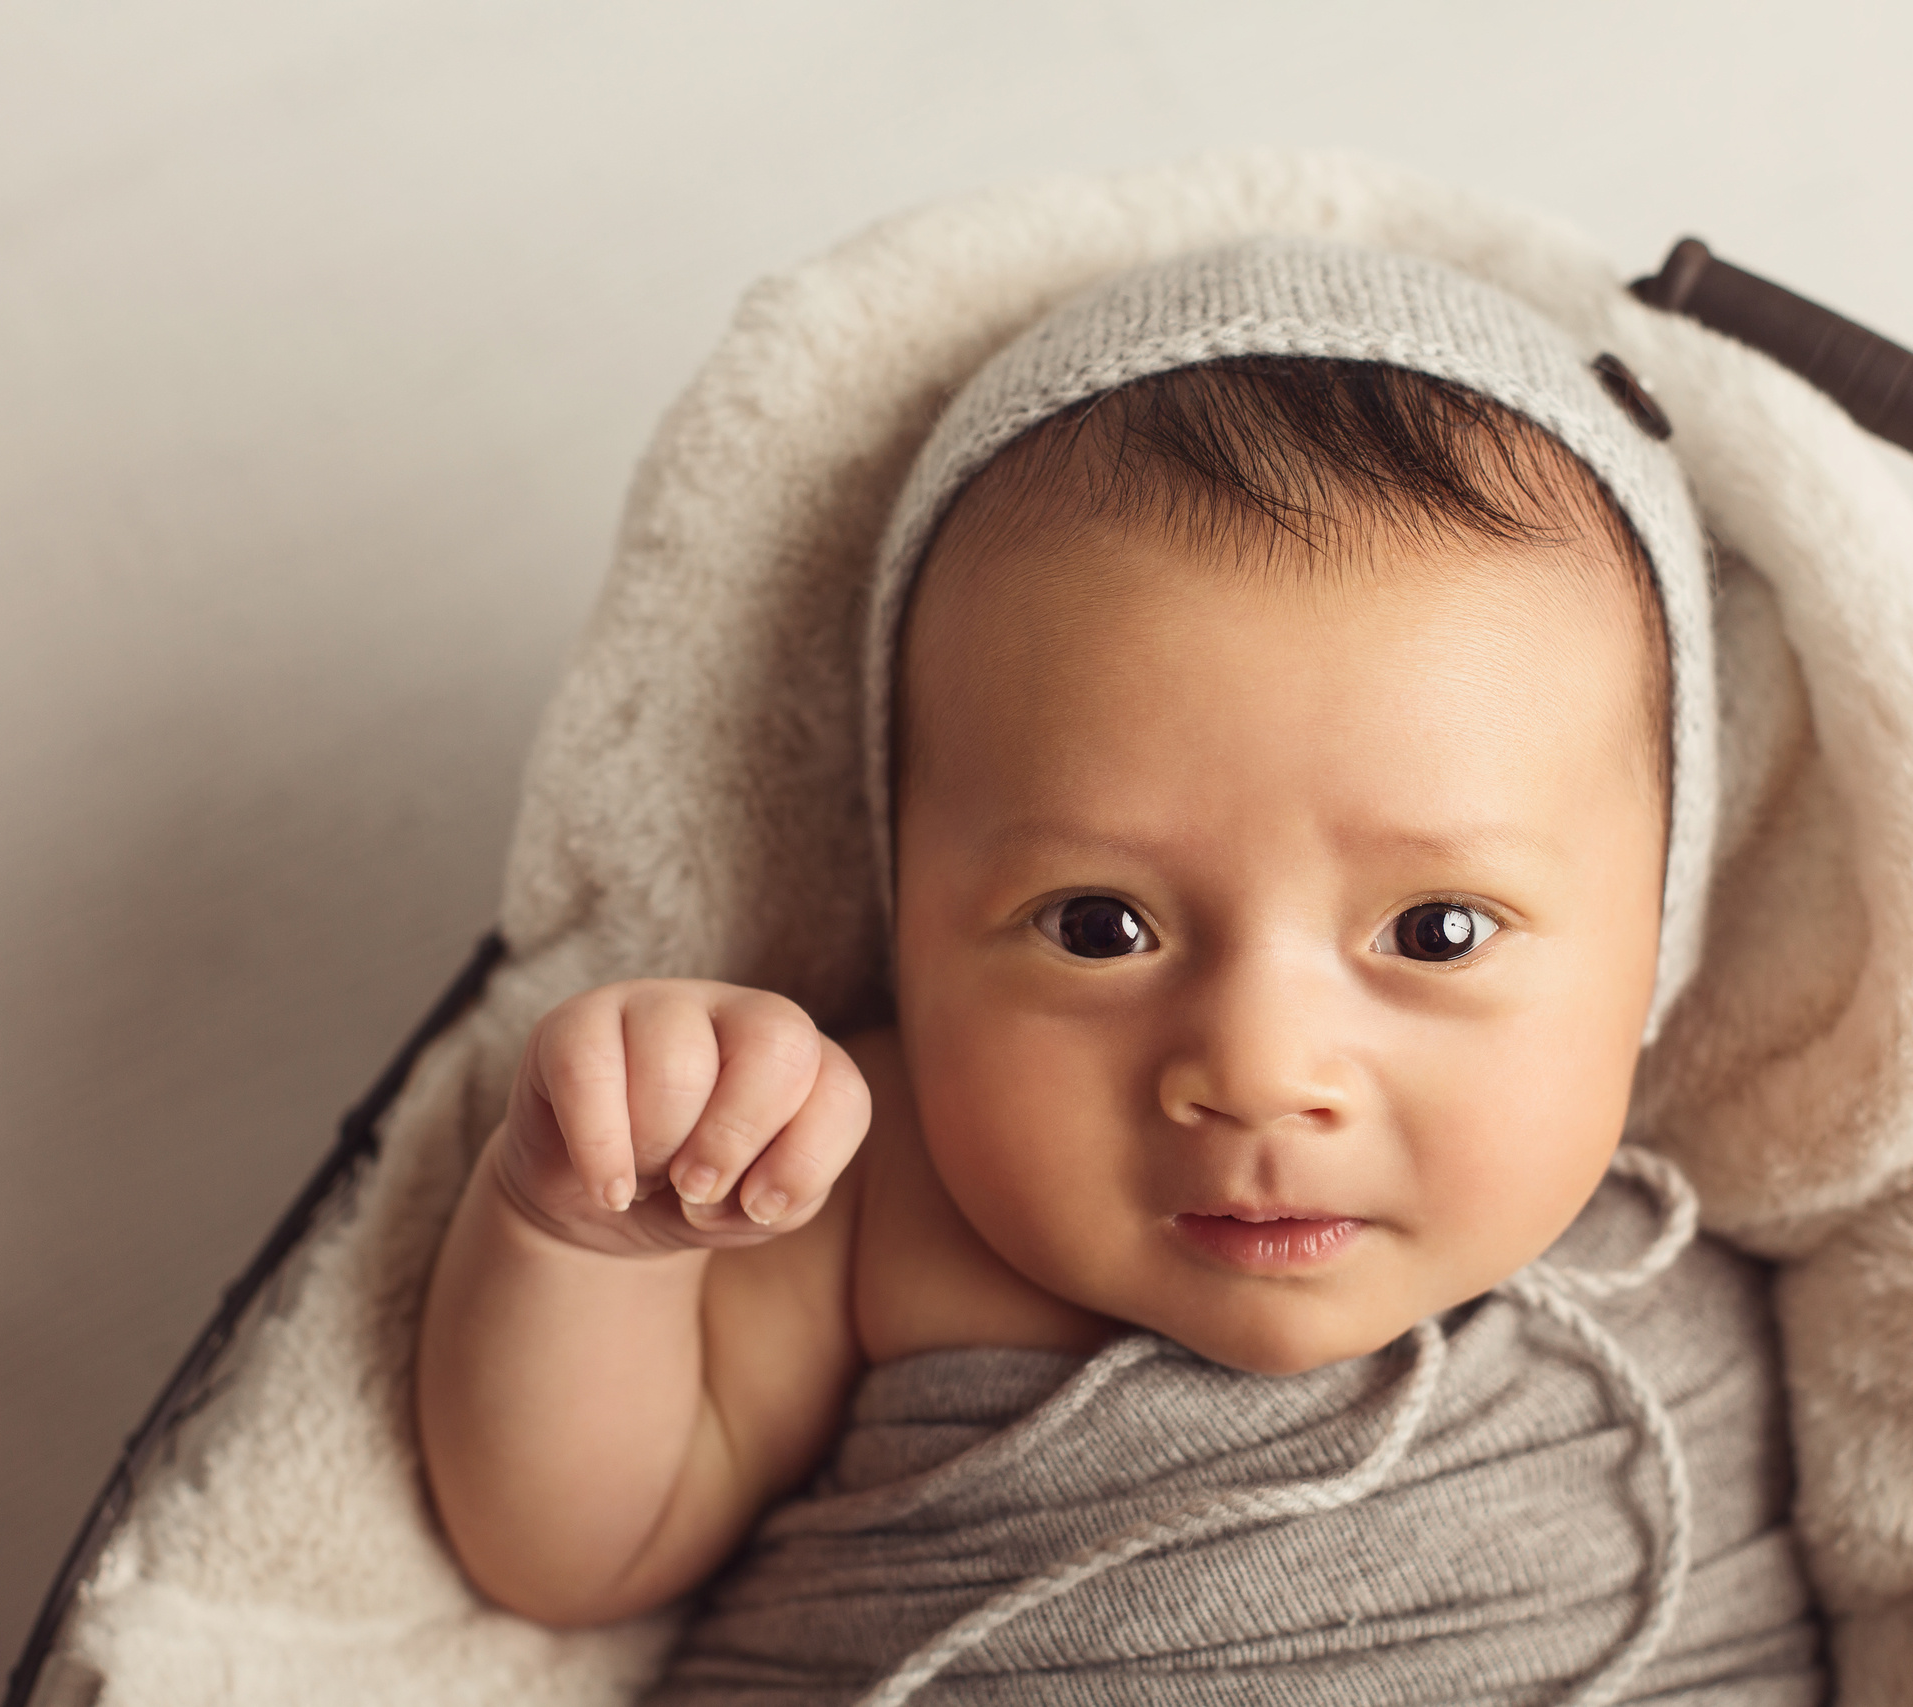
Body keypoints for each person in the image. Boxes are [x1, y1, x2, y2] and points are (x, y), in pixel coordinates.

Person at [416, 240, 1824, 1704]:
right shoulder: (864, 1189)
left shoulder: (1719, 1239)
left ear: (1656, 936)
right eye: (1099, 926)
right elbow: (569, 1555)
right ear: (905, 901)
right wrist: (582, 1241)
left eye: (1437, 932)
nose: (1261, 1067)